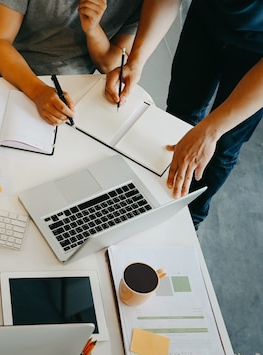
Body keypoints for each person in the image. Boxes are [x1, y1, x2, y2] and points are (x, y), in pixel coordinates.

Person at [105, 0, 263, 228]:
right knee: (178, 118)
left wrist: (211, 131)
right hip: (206, 20)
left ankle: (190, 221)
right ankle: (154, 199)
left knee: (223, 145)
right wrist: (136, 61)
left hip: (257, 47)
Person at [0, 0, 143, 126]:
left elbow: (110, 65)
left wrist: (93, 30)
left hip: (73, 96)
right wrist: (37, 91)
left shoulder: (135, 4)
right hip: (11, 76)